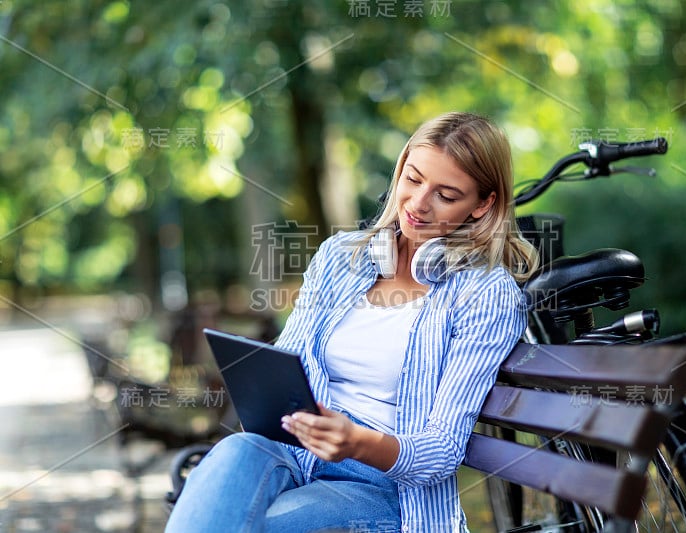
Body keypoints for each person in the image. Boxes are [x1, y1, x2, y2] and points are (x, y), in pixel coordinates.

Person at [165, 112, 539, 532]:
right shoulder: (341, 257)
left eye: (446, 195)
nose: (417, 203)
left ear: (482, 205)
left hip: (380, 484)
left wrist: (355, 441)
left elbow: (442, 450)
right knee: (234, 456)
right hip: (291, 448)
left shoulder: (486, 295)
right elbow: (285, 363)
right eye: (413, 179)